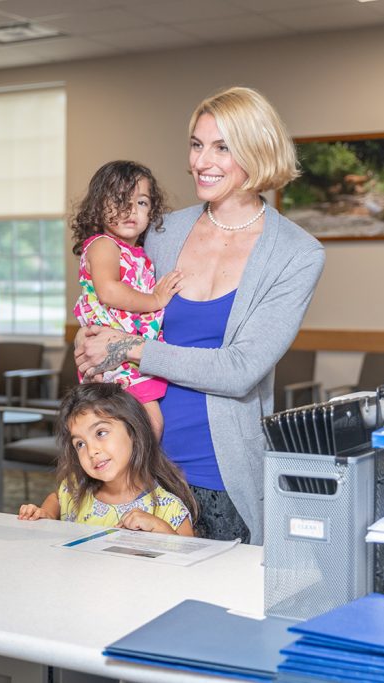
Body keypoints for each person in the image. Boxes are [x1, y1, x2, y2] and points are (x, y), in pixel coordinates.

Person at [75, 86, 325, 545]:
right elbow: (111, 297)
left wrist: (127, 348)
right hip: (135, 469)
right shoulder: (162, 230)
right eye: (196, 144)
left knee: (214, 611)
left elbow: (239, 370)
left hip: (219, 475)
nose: (200, 161)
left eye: (221, 147)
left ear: (257, 151)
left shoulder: (296, 254)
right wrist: (87, 335)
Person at [70, 161, 184, 436]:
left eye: (141, 202)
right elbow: (109, 291)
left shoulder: (139, 253)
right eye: (119, 200)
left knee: (125, 428)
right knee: (149, 425)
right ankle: (138, 478)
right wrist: (155, 299)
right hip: (116, 358)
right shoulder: (103, 245)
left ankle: (132, 475)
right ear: (98, 207)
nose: (131, 210)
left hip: (129, 354)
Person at [17, 383, 195, 535]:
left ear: (133, 431)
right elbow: (56, 498)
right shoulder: (76, 490)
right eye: (80, 444)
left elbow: (189, 565)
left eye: (101, 433)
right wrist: (47, 514)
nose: (92, 451)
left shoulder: (170, 509)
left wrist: (160, 528)